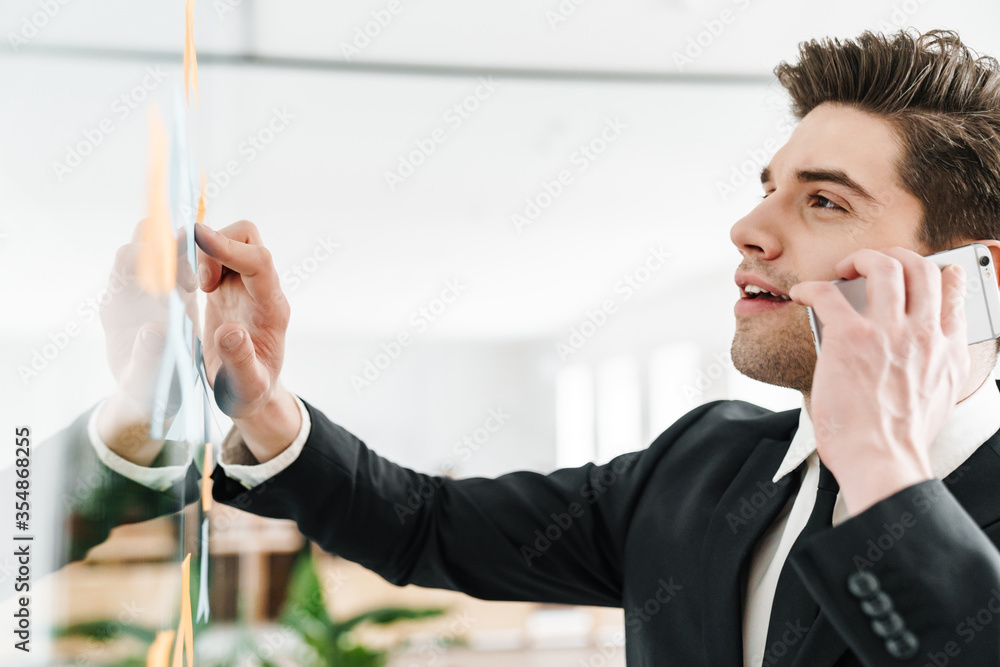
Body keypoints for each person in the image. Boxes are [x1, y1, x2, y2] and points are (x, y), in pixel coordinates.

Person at [97, 28, 1000, 666]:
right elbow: (422, 525)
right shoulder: (698, 467)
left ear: (976, 275)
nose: (747, 227)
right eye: (768, 187)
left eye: (825, 201)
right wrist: (256, 399)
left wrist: (883, 467)